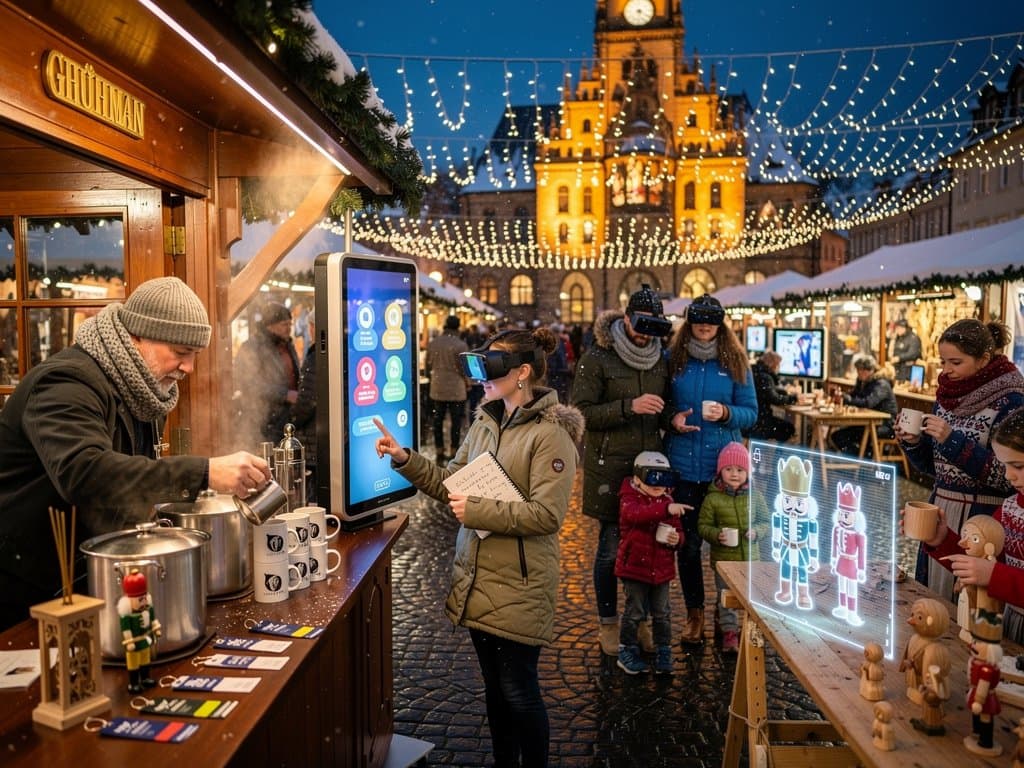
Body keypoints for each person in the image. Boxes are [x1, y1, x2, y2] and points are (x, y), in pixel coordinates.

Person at [0, 276, 271, 631]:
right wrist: (204, 472)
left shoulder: (141, 393)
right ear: (137, 336)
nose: (189, 368)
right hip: (25, 592)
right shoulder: (66, 383)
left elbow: (130, 481)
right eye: (180, 352)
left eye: (194, 355)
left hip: (83, 580)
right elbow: (87, 474)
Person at [374, 327, 583, 768]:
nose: (482, 376)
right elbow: (451, 483)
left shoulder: (552, 435)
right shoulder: (486, 420)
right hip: (479, 577)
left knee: (520, 691)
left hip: (521, 583)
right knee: (495, 688)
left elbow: (547, 516)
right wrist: (404, 458)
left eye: (492, 366)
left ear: (523, 372)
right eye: (480, 364)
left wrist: (479, 511)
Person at [571, 284, 672, 656]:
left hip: (650, 472)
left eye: (652, 326)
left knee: (645, 550)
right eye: (640, 324)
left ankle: (639, 621)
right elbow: (580, 414)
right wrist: (629, 406)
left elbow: (666, 405)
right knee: (611, 550)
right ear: (626, 318)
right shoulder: (597, 358)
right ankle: (608, 623)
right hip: (610, 470)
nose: (645, 333)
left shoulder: (662, 358)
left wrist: (674, 419)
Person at [897, 318, 1024, 600]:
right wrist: (915, 443)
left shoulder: (1010, 400)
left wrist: (952, 440)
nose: (947, 371)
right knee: (935, 595)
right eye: (943, 362)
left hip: (984, 517)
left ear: (984, 359)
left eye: (955, 362)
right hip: (942, 506)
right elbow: (935, 468)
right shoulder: (946, 397)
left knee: (970, 600)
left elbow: (1006, 478)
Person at [664, 294, 757, 645]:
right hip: (684, 468)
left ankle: (727, 618)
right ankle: (694, 615)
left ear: (721, 325)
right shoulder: (673, 359)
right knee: (687, 548)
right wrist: (672, 419)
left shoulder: (735, 361)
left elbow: (751, 412)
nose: (705, 327)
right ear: (689, 323)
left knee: (727, 548)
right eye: (699, 321)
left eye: (711, 321)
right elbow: (664, 404)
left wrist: (728, 413)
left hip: (724, 471)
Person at [908, 406, 1024, 643]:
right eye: (1004, 466)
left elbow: (991, 572)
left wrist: (994, 576)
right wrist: (941, 540)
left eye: (1018, 467)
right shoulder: (1011, 508)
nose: (1009, 476)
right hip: (1011, 627)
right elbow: (982, 563)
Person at [615, 451, 685, 675]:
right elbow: (635, 515)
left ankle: (664, 650)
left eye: (664, 478)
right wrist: (665, 509)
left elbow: (679, 533)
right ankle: (627, 650)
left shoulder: (669, 502)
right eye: (651, 478)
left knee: (662, 612)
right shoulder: (630, 499)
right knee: (634, 611)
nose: (658, 484)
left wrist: (677, 540)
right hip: (634, 568)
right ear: (637, 479)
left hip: (661, 570)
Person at [697, 441, 768, 652]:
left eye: (740, 470)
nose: (734, 474)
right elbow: (703, 526)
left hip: (750, 558)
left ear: (747, 473)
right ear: (720, 472)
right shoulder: (713, 499)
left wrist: (757, 532)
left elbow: (765, 520)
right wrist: (716, 535)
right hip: (724, 561)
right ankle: (729, 631)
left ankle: (752, 630)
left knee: (751, 596)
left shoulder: (755, 497)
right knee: (726, 596)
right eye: (728, 469)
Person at [234, 301, 301, 445]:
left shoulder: (288, 345)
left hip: (285, 418)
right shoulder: (252, 347)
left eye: (290, 324)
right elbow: (247, 383)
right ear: (270, 325)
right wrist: (285, 394)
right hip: (262, 421)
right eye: (284, 325)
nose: (289, 329)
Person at [830, 354, 898, 456]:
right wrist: (843, 395)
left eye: (860, 370)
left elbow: (868, 403)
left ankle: (863, 458)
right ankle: (861, 457)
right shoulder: (864, 381)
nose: (858, 373)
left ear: (868, 370)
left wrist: (847, 400)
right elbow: (854, 395)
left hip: (886, 425)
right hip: (870, 423)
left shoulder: (881, 384)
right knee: (838, 435)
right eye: (858, 370)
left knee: (842, 436)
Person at [426, 315, 470, 461]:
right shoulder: (460, 345)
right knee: (456, 421)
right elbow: (464, 369)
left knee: (438, 420)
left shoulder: (434, 343)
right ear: (458, 327)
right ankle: (453, 449)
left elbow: (428, 365)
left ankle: (439, 449)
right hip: (456, 389)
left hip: (437, 387)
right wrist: (468, 382)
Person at [291, 309, 318, 502]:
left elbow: (307, 402)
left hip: (313, 441)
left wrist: (291, 421)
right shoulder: (345, 352)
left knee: (313, 495)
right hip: (330, 439)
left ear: (313, 327)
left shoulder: (315, 358)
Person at [746, 350, 797, 442]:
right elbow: (775, 399)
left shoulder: (754, 371)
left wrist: (783, 392)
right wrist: (793, 399)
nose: (778, 368)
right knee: (788, 428)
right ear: (774, 365)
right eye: (778, 365)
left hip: (749, 420)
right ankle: (778, 455)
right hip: (760, 423)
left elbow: (766, 391)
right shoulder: (766, 377)